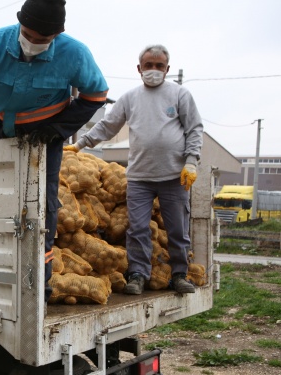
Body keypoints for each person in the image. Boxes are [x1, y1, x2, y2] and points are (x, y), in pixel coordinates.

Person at [0, 0, 108, 302]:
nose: (33, 43)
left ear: (57, 34)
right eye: (28, 35)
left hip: (46, 135)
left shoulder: (75, 54)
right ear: (20, 23)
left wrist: (58, 129)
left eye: (43, 40)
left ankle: (40, 278)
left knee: (43, 202)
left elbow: (97, 95)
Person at [68, 44, 203, 295]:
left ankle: (179, 274)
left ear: (167, 69)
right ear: (139, 68)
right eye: (149, 66)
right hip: (140, 177)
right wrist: (80, 144)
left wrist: (192, 161)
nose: (154, 70)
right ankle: (138, 274)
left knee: (177, 230)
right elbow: (108, 125)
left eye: (159, 66)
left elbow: (194, 129)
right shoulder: (130, 98)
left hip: (175, 176)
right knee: (138, 229)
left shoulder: (180, 95)